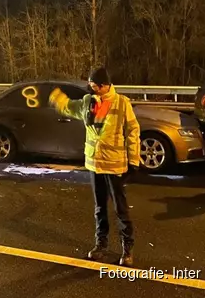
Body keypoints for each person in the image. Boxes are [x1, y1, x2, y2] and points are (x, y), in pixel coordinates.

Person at [48, 67, 141, 266]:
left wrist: (134, 160)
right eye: (91, 85)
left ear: (105, 85)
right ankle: (101, 245)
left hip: (115, 166)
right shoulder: (88, 102)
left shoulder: (121, 103)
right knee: (99, 208)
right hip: (95, 164)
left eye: (95, 85)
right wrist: (58, 98)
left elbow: (133, 131)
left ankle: (127, 249)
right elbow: (70, 108)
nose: (92, 88)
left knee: (120, 209)